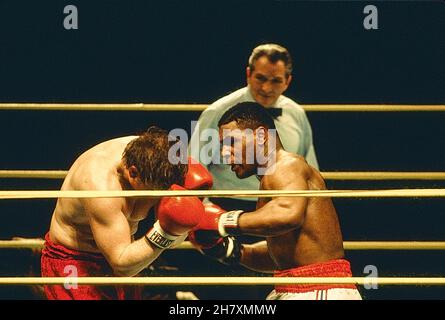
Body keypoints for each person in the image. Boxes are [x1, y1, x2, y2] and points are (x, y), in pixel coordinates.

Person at [189, 102, 362, 300]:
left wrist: (222, 220)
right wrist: (234, 251)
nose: (224, 153)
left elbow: (288, 214)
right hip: (296, 286)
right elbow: (280, 256)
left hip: (319, 288)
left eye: (231, 142)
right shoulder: (271, 180)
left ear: (261, 136)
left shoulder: (286, 164)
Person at [41, 126, 206, 300]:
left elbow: (171, 239)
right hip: (76, 260)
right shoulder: (100, 187)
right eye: (153, 191)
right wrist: (166, 232)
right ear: (132, 173)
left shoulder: (160, 159)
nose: (156, 198)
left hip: (125, 256)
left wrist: (181, 220)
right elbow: (121, 263)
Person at [190, 43, 318, 212]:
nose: (266, 88)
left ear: (287, 81)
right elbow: (194, 164)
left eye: (276, 81)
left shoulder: (296, 114)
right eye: (261, 78)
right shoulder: (218, 112)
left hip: (281, 206)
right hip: (225, 204)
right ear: (248, 74)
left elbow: (310, 169)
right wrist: (205, 209)